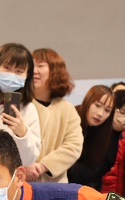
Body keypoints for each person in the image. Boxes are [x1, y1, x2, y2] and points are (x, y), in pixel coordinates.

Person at [27, 48, 83, 183]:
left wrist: (43, 166)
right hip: (20, 183)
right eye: (31, 66)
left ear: (55, 71)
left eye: (40, 66)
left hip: (54, 186)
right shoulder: (20, 104)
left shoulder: (67, 109)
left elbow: (74, 145)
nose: (34, 71)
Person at [67, 85, 115, 189]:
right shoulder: (70, 117)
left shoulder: (106, 133)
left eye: (107, 110)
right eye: (97, 105)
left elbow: (92, 172)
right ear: (88, 101)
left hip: (82, 189)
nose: (100, 114)